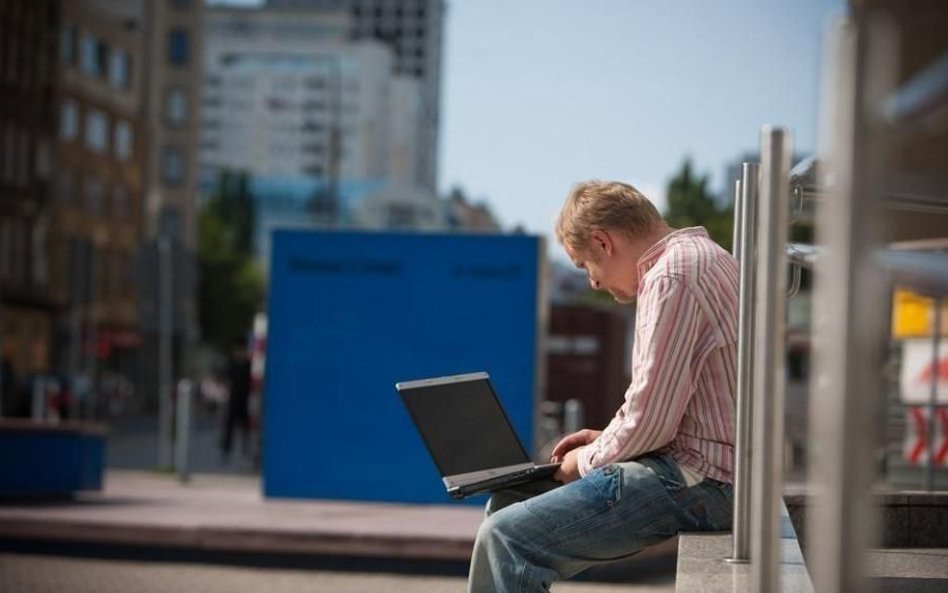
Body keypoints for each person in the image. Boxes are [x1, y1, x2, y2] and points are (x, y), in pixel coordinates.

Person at [468, 181, 738, 593]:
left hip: (704, 480)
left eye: (583, 265)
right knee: (506, 504)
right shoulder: (708, 257)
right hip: (714, 471)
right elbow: (672, 407)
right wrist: (606, 438)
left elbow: (651, 421)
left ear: (602, 241)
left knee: (506, 539)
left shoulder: (671, 277)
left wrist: (583, 460)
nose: (592, 283)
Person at [220, 339, 252, 463]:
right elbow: (225, 379)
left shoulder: (249, 365)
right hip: (233, 400)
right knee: (229, 426)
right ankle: (226, 450)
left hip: (245, 399)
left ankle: (246, 449)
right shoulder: (231, 364)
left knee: (246, 427)